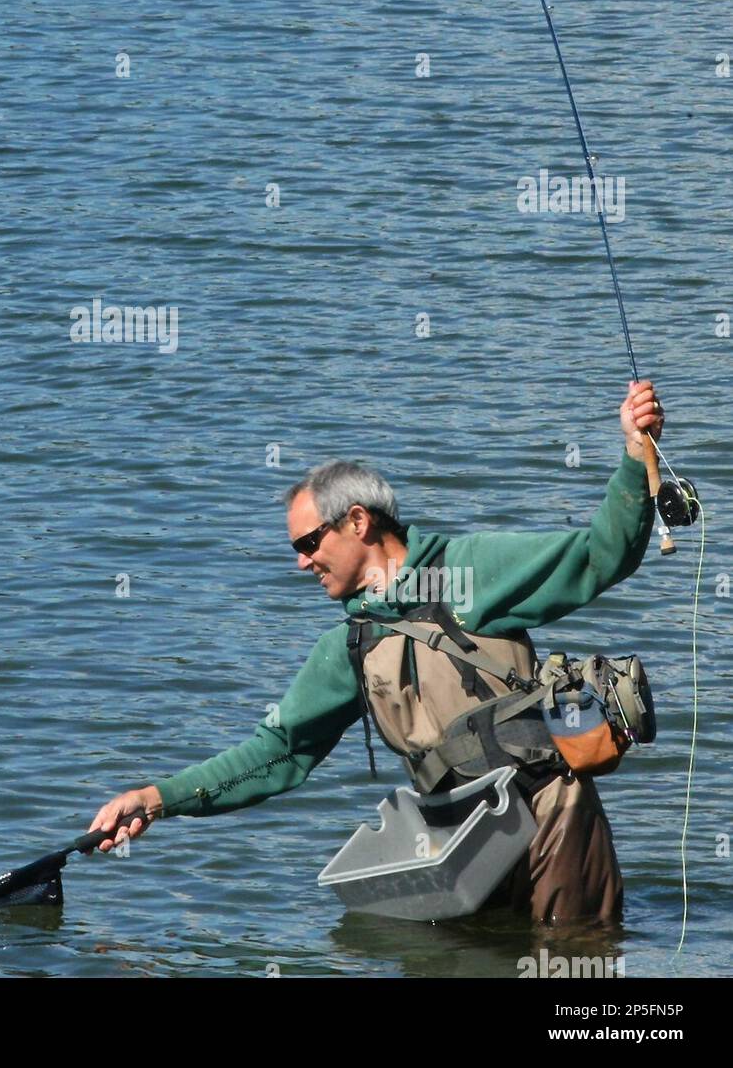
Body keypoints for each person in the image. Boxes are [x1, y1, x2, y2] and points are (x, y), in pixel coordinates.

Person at [87, 380, 665, 923]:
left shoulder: (469, 571)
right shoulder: (349, 646)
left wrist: (635, 456)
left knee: (577, 970)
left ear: (357, 522)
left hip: (553, 822)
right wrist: (157, 798)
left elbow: (600, 555)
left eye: (309, 544)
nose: (301, 562)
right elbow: (276, 753)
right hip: (459, 851)